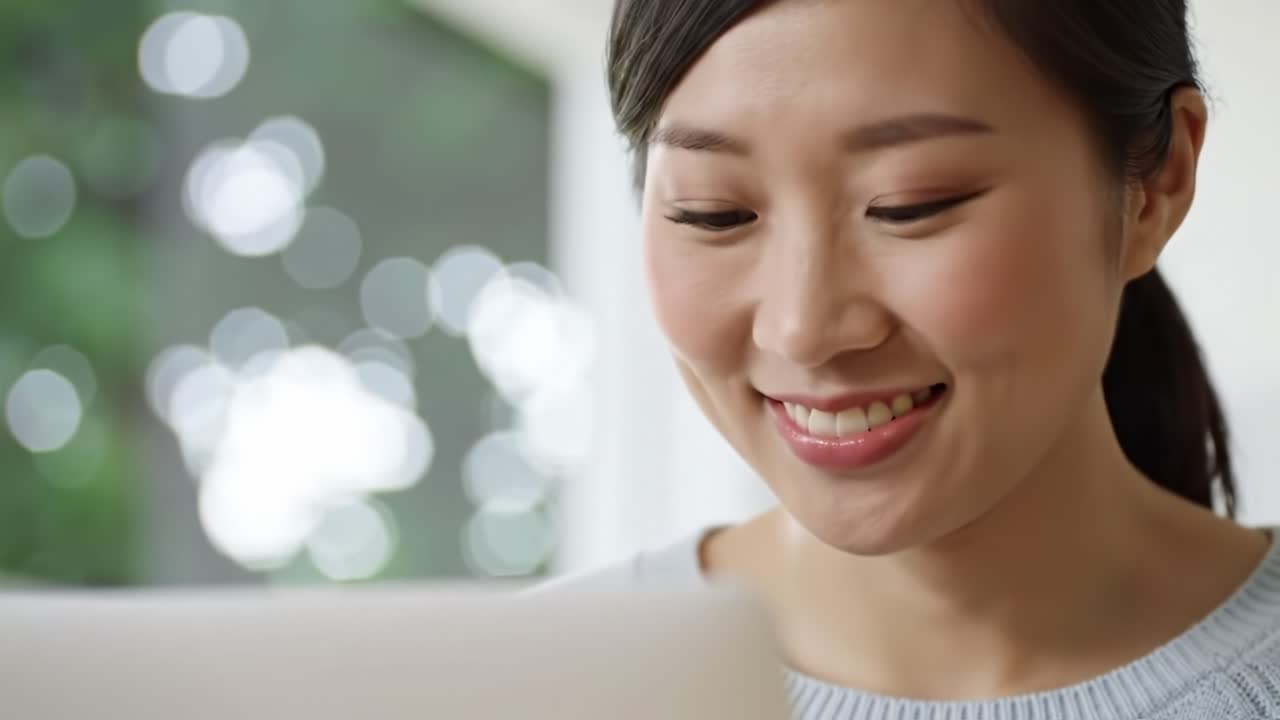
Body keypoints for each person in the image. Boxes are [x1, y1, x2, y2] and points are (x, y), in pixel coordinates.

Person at [572, 0, 1280, 718]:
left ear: (1156, 185)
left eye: (912, 204)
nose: (803, 329)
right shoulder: (530, 682)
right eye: (713, 213)